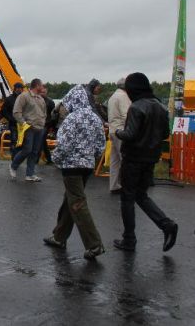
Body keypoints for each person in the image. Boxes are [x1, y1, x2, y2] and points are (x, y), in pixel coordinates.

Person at [113, 72, 177, 252]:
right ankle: (166, 224)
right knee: (141, 195)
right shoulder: (160, 106)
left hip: (133, 158)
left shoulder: (136, 107)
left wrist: (117, 132)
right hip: (151, 157)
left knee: (127, 198)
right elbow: (165, 133)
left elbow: (130, 134)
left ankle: (129, 239)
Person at [43, 85, 106, 260]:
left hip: (71, 166)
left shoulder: (71, 119)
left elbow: (63, 144)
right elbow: (101, 144)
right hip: (87, 166)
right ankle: (59, 236)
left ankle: (94, 244)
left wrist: (55, 158)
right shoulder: (95, 118)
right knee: (70, 199)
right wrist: (91, 157)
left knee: (77, 202)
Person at [10, 78, 47, 182]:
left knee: (35, 152)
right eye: (42, 85)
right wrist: (24, 123)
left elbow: (44, 113)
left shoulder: (41, 99)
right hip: (29, 128)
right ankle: (13, 166)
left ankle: (30, 174)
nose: (43, 87)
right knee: (27, 149)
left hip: (40, 128)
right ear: (37, 86)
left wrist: (43, 123)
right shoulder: (24, 96)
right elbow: (16, 112)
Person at [107, 77, 131, 194]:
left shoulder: (113, 96)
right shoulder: (123, 97)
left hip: (112, 130)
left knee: (115, 160)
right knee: (125, 159)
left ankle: (114, 185)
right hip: (121, 131)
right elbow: (126, 115)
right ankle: (127, 186)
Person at [2, 82, 24, 160]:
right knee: (14, 139)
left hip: (23, 124)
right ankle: (14, 157)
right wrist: (10, 118)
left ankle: (19, 156)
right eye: (18, 88)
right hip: (13, 123)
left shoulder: (24, 98)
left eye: (21, 88)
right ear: (15, 89)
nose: (20, 90)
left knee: (21, 140)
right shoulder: (9, 99)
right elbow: (4, 111)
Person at [39, 86, 56, 166]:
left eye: (44, 92)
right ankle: (49, 159)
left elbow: (53, 114)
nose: (42, 94)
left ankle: (35, 159)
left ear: (46, 92)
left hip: (46, 123)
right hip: (38, 123)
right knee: (42, 142)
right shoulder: (36, 100)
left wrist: (52, 126)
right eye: (41, 92)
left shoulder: (50, 102)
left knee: (41, 139)